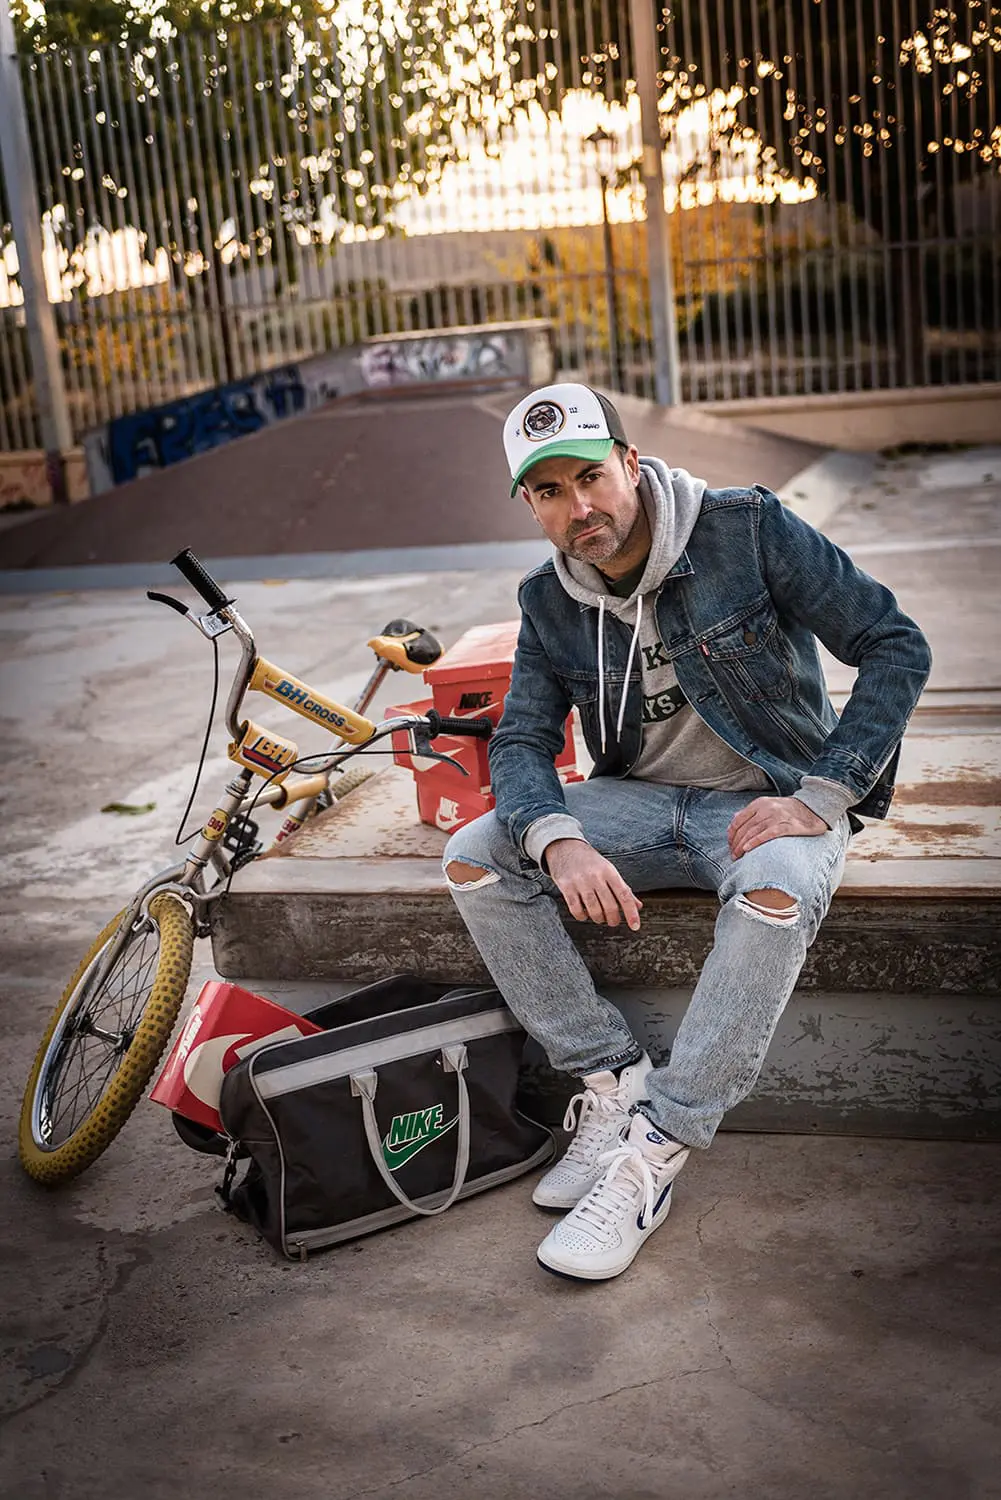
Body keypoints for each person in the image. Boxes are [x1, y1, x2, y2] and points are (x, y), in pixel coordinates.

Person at [443, 382, 931, 1283]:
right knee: (476, 856)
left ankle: (655, 1147)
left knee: (776, 893)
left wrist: (826, 794)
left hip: (768, 800)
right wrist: (557, 836)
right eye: (548, 492)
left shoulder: (742, 529)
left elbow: (894, 642)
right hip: (638, 804)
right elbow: (517, 738)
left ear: (630, 463)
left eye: (590, 477)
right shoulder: (547, 600)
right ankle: (608, 1077)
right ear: (529, 504)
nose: (578, 507)